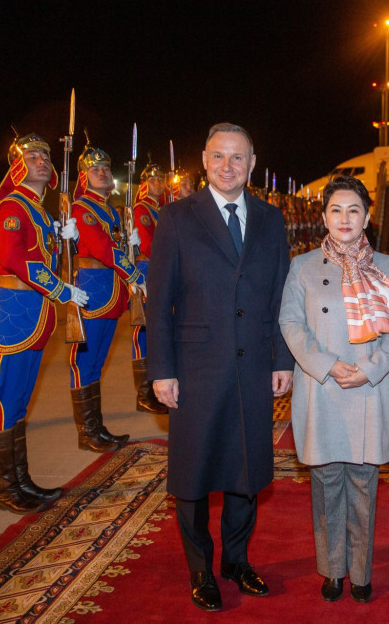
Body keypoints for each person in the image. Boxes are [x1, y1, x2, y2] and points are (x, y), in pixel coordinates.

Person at [147, 123, 294, 612]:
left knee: (245, 470)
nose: (227, 166)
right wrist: (161, 369)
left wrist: (283, 358)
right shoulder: (175, 218)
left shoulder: (272, 220)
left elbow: (280, 296)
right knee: (192, 475)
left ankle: (236, 560)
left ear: (252, 164)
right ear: (204, 161)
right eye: (218, 157)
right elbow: (160, 301)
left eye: (238, 158)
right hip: (195, 369)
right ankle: (200, 568)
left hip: (253, 366)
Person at [279, 176, 389, 604]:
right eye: (336, 210)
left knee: (363, 486)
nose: (345, 218)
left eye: (354, 210)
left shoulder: (387, 266)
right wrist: (329, 365)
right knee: (327, 484)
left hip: (369, 390)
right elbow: (291, 325)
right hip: (322, 389)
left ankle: (361, 571)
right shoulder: (302, 267)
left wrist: (367, 370)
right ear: (323, 218)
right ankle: (333, 570)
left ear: (367, 216)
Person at [0, 131, 89, 514]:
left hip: (35, 313)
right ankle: (6, 488)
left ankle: (21, 481)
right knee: (4, 400)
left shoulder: (40, 211)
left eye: (46, 158)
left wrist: (69, 241)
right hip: (13, 312)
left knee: (20, 402)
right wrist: (61, 291)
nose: (42, 162)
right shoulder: (12, 208)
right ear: (16, 166)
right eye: (33, 157)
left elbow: (49, 260)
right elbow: (17, 261)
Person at [68, 138, 145, 452]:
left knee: (97, 362)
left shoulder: (111, 210)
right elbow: (103, 249)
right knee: (86, 363)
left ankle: (96, 427)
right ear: (84, 177)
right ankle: (87, 431)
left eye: (104, 168)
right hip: (92, 291)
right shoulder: (81, 208)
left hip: (111, 293)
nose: (102, 172)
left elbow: (120, 246)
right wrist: (136, 274)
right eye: (94, 169)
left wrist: (133, 243)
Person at [130, 160, 167, 414]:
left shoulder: (161, 209)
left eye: (161, 179)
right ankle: (144, 394)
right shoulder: (142, 209)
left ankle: (152, 389)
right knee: (143, 333)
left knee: (155, 332)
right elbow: (148, 244)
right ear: (144, 184)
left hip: (158, 269)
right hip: (145, 270)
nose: (158, 183)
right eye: (153, 179)